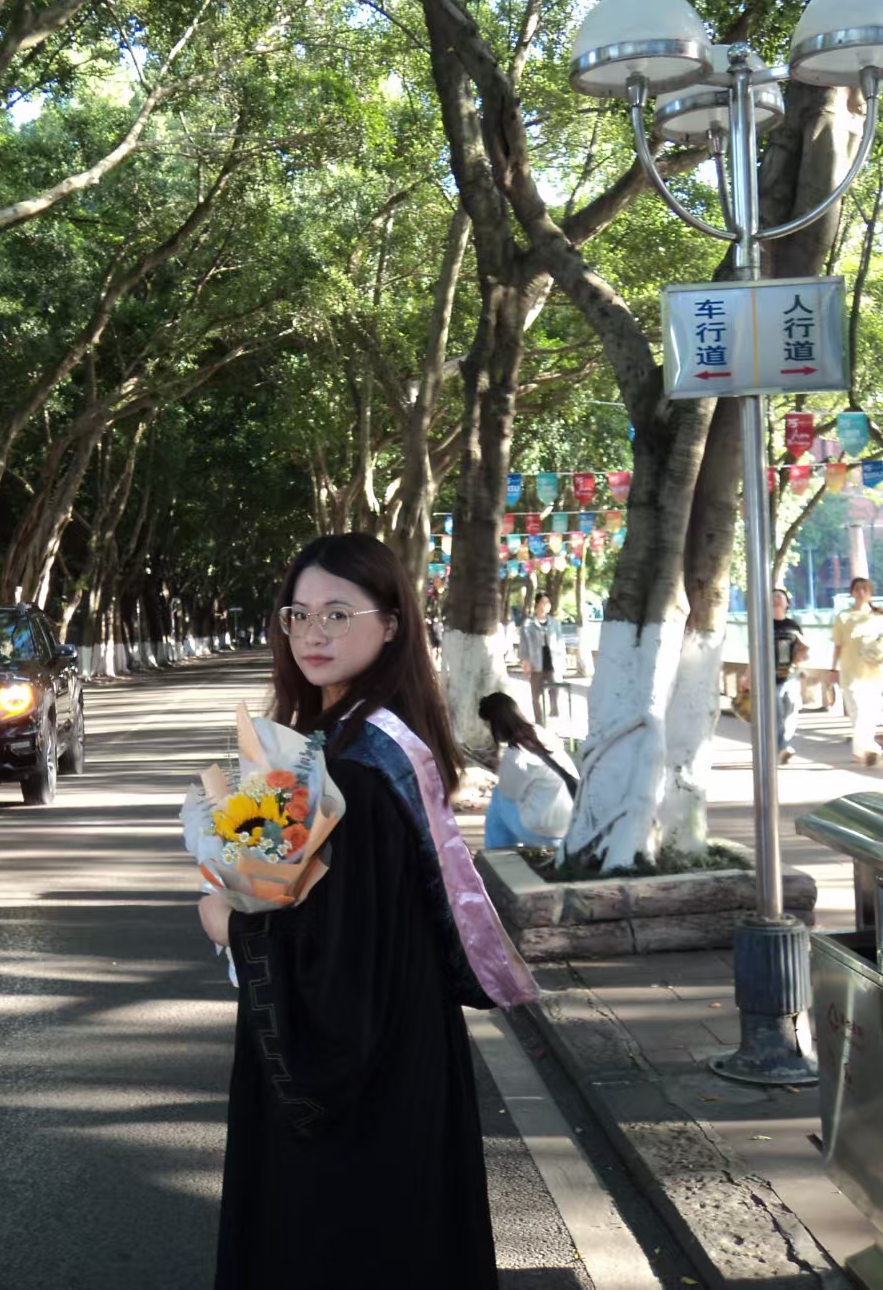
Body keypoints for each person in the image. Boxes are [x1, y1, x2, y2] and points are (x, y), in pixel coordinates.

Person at [197, 533, 536, 1290]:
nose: (312, 634)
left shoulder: (354, 769)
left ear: (390, 624)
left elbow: (336, 956)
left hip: (362, 1086)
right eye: (298, 615)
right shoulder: (361, 741)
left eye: (338, 614)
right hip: (407, 1040)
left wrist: (230, 923)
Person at [477, 691, 577, 849]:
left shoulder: (515, 755)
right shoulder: (541, 732)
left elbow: (511, 794)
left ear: (495, 724)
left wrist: (500, 769)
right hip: (570, 825)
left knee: (498, 797)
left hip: (543, 831)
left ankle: (497, 852)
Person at [830, 577, 883, 766]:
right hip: (850, 672)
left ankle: (862, 752)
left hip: (874, 672)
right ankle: (867, 750)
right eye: (857, 589)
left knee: (870, 713)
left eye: (865, 589)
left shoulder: (878, 616)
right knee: (858, 712)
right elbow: (837, 645)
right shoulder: (843, 617)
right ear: (852, 592)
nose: (861, 592)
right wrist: (832, 669)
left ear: (870, 592)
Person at [773, 587, 809, 765]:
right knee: (776, 713)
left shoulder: (793, 625)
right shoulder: (762, 624)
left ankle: (782, 747)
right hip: (769, 677)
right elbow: (754, 653)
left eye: (780, 596)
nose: (776, 599)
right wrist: (747, 677)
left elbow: (803, 649)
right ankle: (781, 748)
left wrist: (802, 665)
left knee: (790, 713)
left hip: (790, 675)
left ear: (787, 603)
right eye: (773, 596)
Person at [520, 592, 566, 725]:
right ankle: (539, 721)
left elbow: (561, 642)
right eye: (544, 602)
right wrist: (525, 662)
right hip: (536, 663)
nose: (547, 605)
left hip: (552, 663)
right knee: (536, 696)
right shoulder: (528, 623)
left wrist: (562, 662)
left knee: (555, 690)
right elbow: (524, 645)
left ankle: (554, 715)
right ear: (537, 604)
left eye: (548, 603)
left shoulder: (555, 623)